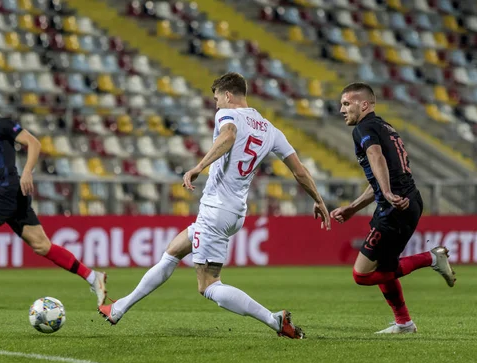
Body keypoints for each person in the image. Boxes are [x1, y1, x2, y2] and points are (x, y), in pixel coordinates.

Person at [99, 72, 331, 339]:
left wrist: (199, 166)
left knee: (208, 285)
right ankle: (118, 308)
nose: (216, 104)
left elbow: (229, 135)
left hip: (217, 209)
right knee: (173, 252)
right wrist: (319, 200)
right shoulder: (271, 129)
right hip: (235, 211)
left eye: (217, 98)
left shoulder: (227, 115)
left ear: (229, 95)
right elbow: (300, 171)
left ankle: (274, 320)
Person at [0, 82, 106, 307]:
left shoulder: (2, 125)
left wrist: (27, 171)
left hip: (10, 188)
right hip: (10, 194)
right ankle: (94, 277)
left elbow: (34, 143)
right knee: (42, 246)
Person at [331, 82, 456, 334]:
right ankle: (404, 323)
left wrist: (387, 193)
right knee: (386, 268)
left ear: (363, 104)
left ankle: (431, 257)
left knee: (362, 275)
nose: (342, 109)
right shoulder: (385, 127)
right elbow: (380, 175)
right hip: (408, 202)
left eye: (347, 104)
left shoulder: (364, 129)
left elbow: (376, 158)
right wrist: (354, 207)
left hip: (395, 207)